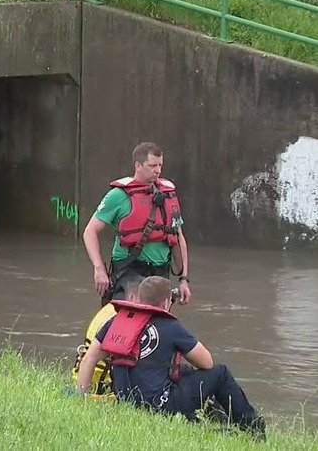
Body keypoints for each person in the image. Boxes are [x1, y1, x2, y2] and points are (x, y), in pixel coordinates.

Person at [76, 276, 266, 441]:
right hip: (161, 405)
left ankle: (210, 420)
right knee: (221, 374)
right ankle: (254, 430)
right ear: (166, 302)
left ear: (139, 298)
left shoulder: (116, 322)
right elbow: (207, 363)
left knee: (182, 371)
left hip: (125, 402)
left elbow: (89, 359)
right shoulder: (171, 326)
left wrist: (81, 398)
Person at [82, 142, 191, 306]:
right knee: (133, 311)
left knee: (157, 316)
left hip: (160, 272)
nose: (158, 171)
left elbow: (178, 237)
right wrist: (99, 269)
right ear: (138, 166)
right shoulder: (118, 196)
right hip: (130, 271)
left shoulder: (168, 195)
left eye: (160, 165)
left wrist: (183, 279)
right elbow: (90, 231)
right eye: (152, 166)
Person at [70, 273, 143, 399]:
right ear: (132, 297)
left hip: (81, 377)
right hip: (99, 386)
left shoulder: (108, 310)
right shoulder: (122, 321)